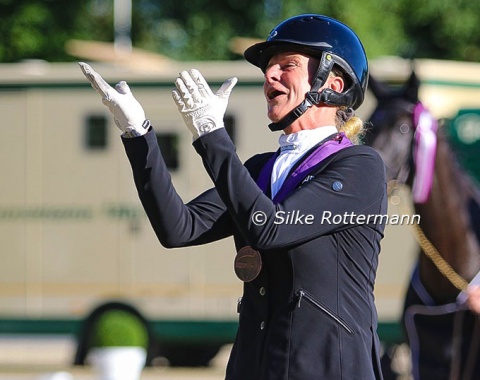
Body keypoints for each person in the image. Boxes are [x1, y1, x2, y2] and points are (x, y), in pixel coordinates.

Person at [80, 14, 387, 380]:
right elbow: (179, 228)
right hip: (254, 366)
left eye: (285, 66)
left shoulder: (360, 166)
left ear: (333, 83)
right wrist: (138, 135)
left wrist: (211, 135)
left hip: (327, 369)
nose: (269, 77)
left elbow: (270, 228)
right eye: (267, 69)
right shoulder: (260, 169)